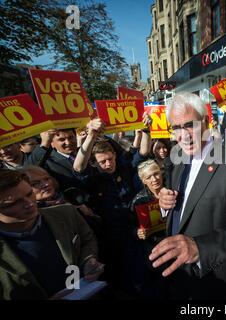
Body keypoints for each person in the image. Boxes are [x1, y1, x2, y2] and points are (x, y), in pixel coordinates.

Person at [150, 92, 226, 300]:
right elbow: (184, 208)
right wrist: (165, 204)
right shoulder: (176, 161)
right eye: (176, 128)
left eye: (190, 125)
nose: (184, 135)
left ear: (207, 122)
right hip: (179, 275)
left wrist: (200, 247)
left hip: (215, 279)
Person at [73, 116, 151, 294]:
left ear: (115, 155)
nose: (108, 164)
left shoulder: (124, 168)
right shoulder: (93, 178)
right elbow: (78, 167)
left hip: (134, 233)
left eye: (110, 159)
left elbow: (143, 153)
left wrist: (146, 129)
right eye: (102, 162)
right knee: (118, 282)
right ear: (94, 163)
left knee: (141, 277)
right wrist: (91, 135)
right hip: (109, 239)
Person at [0, 169, 102, 300]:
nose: (29, 204)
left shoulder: (66, 213)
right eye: (14, 203)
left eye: (29, 193)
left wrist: (88, 260)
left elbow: (87, 239)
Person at [128, 160, 168, 298]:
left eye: (156, 174)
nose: (154, 179)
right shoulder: (139, 200)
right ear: (143, 181)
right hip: (154, 247)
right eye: (149, 177)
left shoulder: (173, 189)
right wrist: (137, 232)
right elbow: (130, 226)